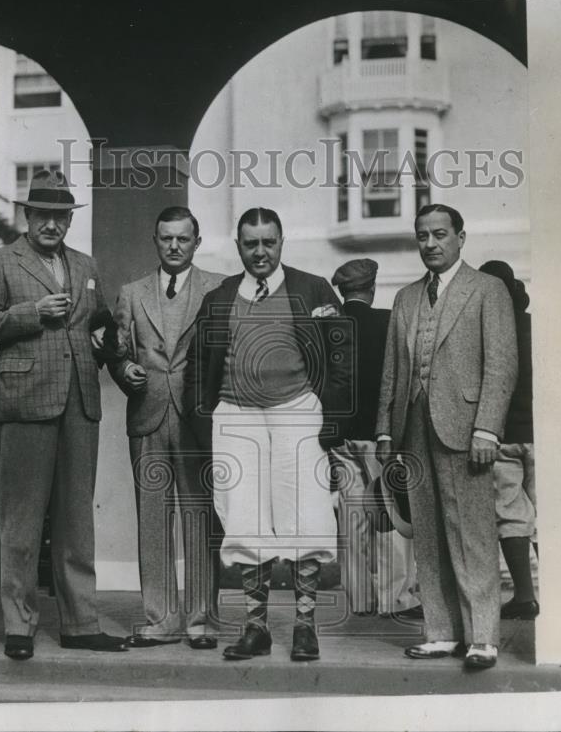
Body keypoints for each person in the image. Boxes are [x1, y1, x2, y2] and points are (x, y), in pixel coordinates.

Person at [0, 169, 128, 660]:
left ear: (68, 219)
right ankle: (19, 625)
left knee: (77, 518)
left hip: (79, 401)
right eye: (44, 215)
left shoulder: (85, 265)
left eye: (61, 216)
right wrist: (33, 312)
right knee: (21, 519)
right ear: (27, 216)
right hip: (25, 401)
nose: (53, 224)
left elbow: (97, 326)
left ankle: (80, 623)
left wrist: (108, 341)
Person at [185, 207, 351, 662]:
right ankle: (256, 628)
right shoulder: (220, 297)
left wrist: (327, 419)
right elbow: (199, 365)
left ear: (282, 242)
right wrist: (207, 421)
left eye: (268, 242)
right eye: (251, 243)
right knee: (244, 520)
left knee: (306, 516)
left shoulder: (313, 288)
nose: (260, 251)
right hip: (237, 415)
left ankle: (304, 627)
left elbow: (342, 357)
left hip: (297, 411)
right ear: (239, 246)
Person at [376, 203, 517, 670]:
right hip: (412, 427)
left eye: (440, 234)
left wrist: (488, 428)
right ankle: (440, 632)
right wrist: (383, 432)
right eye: (423, 236)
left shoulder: (487, 289)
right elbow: (393, 373)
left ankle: (482, 636)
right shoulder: (405, 298)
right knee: (429, 535)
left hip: (466, 429)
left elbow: (501, 364)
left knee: (472, 533)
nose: (431, 244)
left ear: (461, 236)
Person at [109, 206, 225, 650]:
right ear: (155, 241)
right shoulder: (132, 293)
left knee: (200, 517)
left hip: (197, 419)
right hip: (148, 416)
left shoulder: (217, 287)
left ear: (197, 241)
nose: (174, 246)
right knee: (153, 521)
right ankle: (160, 618)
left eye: (182, 238)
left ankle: (201, 621)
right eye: (166, 239)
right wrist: (125, 372)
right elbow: (118, 351)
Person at [328, 258, 421, 619]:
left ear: (342, 290)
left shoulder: (329, 327)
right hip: (379, 437)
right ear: (371, 287)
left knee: (352, 517)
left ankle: (360, 601)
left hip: (339, 438)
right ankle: (396, 599)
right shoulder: (386, 322)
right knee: (389, 516)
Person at [479, 260, 538, 620]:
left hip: (502, 436)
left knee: (511, 515)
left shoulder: (483, 331)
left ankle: (525, 596)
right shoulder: (538, 327)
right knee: (553, 516)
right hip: (544, 433)